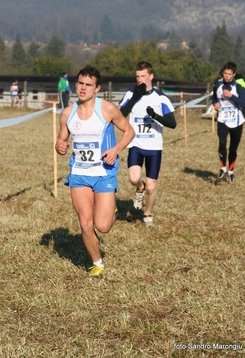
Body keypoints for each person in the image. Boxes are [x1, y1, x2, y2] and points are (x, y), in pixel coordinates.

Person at [55, 65, 135, 277]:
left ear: (97, 88)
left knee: (103, 226)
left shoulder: (107, 109)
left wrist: (116, 149)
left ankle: (112, 210)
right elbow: (61, 140)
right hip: (79, 173)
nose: (82, 88)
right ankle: (97, 263)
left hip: (103, 173)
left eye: (88, 85)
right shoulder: (67, 113)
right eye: (80, 83)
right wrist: (60, 146)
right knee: (85, 222)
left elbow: (129, 131)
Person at [119, 61, 177, 226]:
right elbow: (120, 115)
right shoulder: (130, 93)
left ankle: (147, 214)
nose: (140, 79)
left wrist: (156, 116)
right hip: (136, 144)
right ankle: (139, 187)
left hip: (154, 148)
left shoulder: (160, 97)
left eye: (144, 76)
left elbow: (172, 123)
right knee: (133, 178)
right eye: (138, 76)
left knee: (151, 187)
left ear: (151, 76)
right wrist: (135, 98)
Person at [212, 61, 245, 183]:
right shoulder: (217, 85)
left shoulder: (238, 87)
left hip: (237, 121)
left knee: (233, 149)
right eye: (225, 73)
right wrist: (215, 104)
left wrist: (231, 96)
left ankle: (231, 171)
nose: (226, 76)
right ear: (223, 73)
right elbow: (214, 97)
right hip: (223, 119)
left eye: (229, 74)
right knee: (222, 143)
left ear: (234, 75)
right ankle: (222, 169)